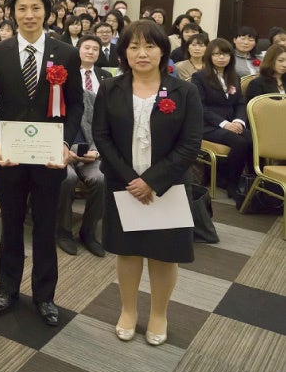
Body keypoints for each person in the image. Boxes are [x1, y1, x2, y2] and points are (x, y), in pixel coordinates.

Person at [92, 20, 202, 346]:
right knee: (127, 252)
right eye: (134, 46)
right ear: (123, 52)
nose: (142, 53)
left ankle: (158, 313)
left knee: (163, 254)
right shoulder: (111, 88)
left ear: (163, 51)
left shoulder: (184, 90)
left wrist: (152, 181)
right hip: (123, 185)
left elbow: (190, 143)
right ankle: (128, 311)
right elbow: (102, 135)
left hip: (167, 187)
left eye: (150, 46)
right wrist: (131, 178)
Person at [0, 0, 82, 327]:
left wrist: (66, 144)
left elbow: (76, 106)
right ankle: (7, 289)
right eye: (22, 8)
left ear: (47, 13)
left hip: (48, 157)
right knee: (10, 226)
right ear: (12, 14)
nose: (29, 14)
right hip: (8, 156)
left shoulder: (66, 53)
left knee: (44, 228)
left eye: (35, 8)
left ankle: (44, 296)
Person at [56, 35, 111, 258]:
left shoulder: (90, 96)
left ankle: (88, 233)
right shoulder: (51, 98)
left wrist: (96, 150)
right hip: (60, 153)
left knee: (101, 179)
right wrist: (61, 150)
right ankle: (63, 231)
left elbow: (101, 127)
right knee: (66, 178)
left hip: (89, 152)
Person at [191, 39, 251, 200]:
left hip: (232, 123)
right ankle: (231, 183)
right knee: (240, 142)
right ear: (210, 56)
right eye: (216, 54)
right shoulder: (199, 77)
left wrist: (239, 121)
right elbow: (201, 108)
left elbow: (240, 102)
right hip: (208, 126)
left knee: (252, 139)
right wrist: (224, 124)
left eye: (224, 54)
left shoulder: (234, 76)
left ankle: (250, 181)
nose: (221, 58)